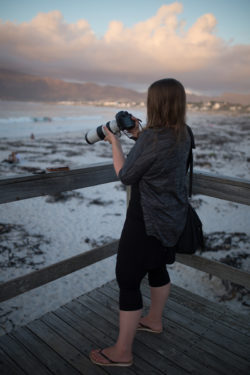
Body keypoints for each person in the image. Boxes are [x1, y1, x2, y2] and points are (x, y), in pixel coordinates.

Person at [90, 78, 191, 367]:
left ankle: (122, 352)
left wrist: (114, 142)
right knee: (157, 266)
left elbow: (126, 175)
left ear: (154, 103)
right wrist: (139, 135)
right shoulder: (184, 133)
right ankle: (154, 321)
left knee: (128, 279)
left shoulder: (153, 138)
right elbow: (161, 159)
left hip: (144, 220)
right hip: (171, 218)